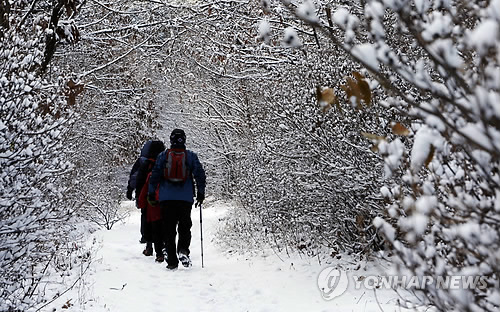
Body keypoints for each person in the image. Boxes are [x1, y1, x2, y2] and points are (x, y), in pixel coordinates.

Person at [148, 129, 206, 270]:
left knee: (169, 229)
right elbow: (200, 174)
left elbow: (154, 175)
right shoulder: (190, 156)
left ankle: (172, 261)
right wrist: (201, 193)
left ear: (171, 140)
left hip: (166, 198)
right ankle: (183, 250)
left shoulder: (163, 156)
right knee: (185, 226)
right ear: (184, 140)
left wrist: (151, 193)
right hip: (185, 198)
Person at [135, 140, 166, 261]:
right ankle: (162, 246)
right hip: (163, 198)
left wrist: (138, 197)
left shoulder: (146, 164)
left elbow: (139, 182)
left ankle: (149, 246)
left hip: (148, 198)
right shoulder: (165, 164)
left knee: (147, 220)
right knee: (161, 222)